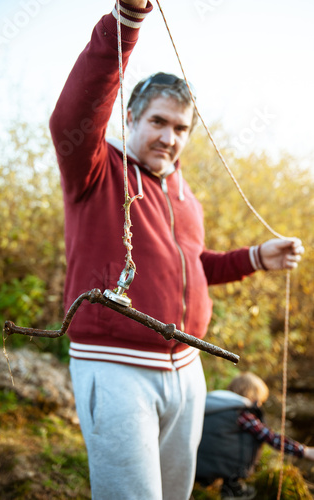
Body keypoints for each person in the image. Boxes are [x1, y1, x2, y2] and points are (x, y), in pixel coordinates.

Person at [49, 2, 304, 499]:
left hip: (187, 371)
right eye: (158, 122)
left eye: (181, 128)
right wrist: (127, 19)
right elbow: (71, 117)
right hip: (115, 365)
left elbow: (192, 268)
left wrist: (256, 258)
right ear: (131, 117)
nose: (170, 138)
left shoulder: (184, 196)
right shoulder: (96, 169)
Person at [196, 372, 314, 499]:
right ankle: (232, 488)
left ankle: (216, 484)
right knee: (250, 435)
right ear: (252, 396)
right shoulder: (241, 413)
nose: (259, 405)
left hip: (196, 463)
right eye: (259, 401)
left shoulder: (211, 405)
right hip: (217, 465)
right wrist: (304, 451)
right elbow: (270, 437)